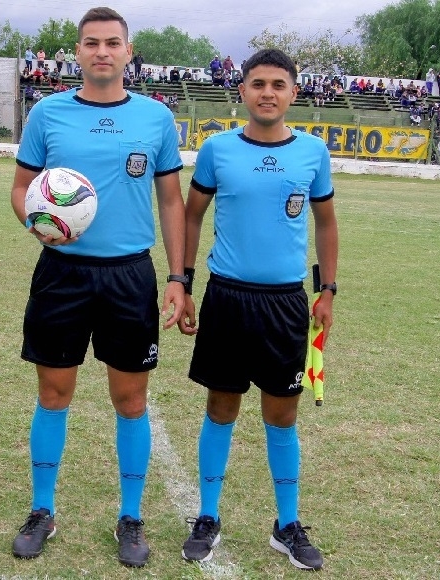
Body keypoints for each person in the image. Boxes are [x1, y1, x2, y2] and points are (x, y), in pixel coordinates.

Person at [8, 6, 186, 568]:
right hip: (62, 273)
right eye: (92, 43)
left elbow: (171, 201)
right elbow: (20, 190)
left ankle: (130, 516)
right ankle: (42, 510)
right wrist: (40, 224)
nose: (102, 51)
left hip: (129, 275)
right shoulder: (48, 113)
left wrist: (178, 277)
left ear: (128, 52)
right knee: (53, 394)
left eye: (112, 42)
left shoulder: (156, 118)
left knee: (130, 400)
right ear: (78, 52)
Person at [177, 48, 338, 572]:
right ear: (242, 90)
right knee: (221, 406)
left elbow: (326, 223)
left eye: (278, 84)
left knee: (282, 414)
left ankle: (287, 524)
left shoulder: (312, 152)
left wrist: (327, 290)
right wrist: (184, 281)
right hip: (227, 298)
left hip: (285, 303)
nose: (268, 92)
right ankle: (207, 516)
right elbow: (191, 217)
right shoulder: (217, 149)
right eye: (258, 83)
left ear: (294, 92)